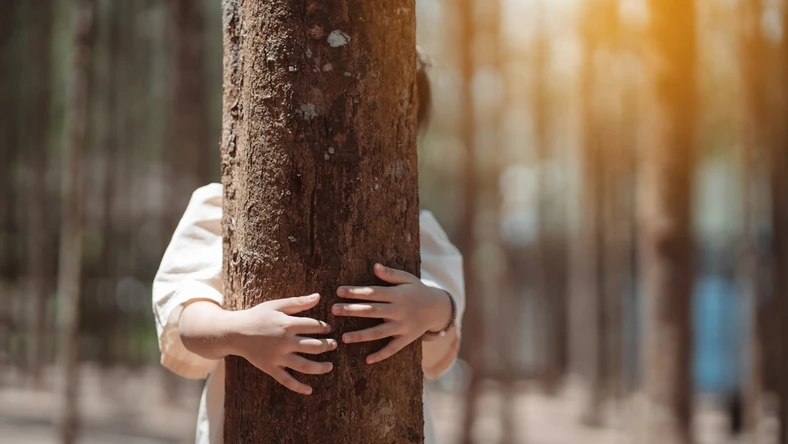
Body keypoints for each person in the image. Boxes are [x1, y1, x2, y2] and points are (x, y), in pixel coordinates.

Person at [151, 51, 465, 444]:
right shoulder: (226, 210)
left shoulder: (414, 228)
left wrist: (434, 309)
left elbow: (442, 346)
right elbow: (185, 321)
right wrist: (240, 332)